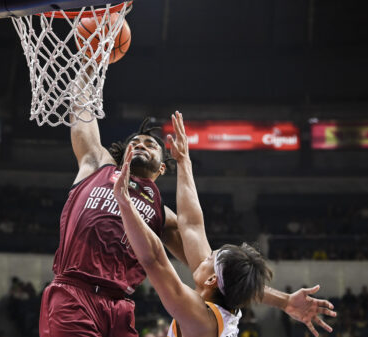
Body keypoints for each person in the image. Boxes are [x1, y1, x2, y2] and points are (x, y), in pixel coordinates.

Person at [38, 101, 334, 336]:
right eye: (136, 142)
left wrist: (127, 203)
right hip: (74, 292)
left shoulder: (160, 215)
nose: (141, 145)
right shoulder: (97, 169)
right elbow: (82, 114)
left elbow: (212, 270)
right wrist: (88, 70)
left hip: (118, 306)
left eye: (151, 144)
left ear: (160, 170)